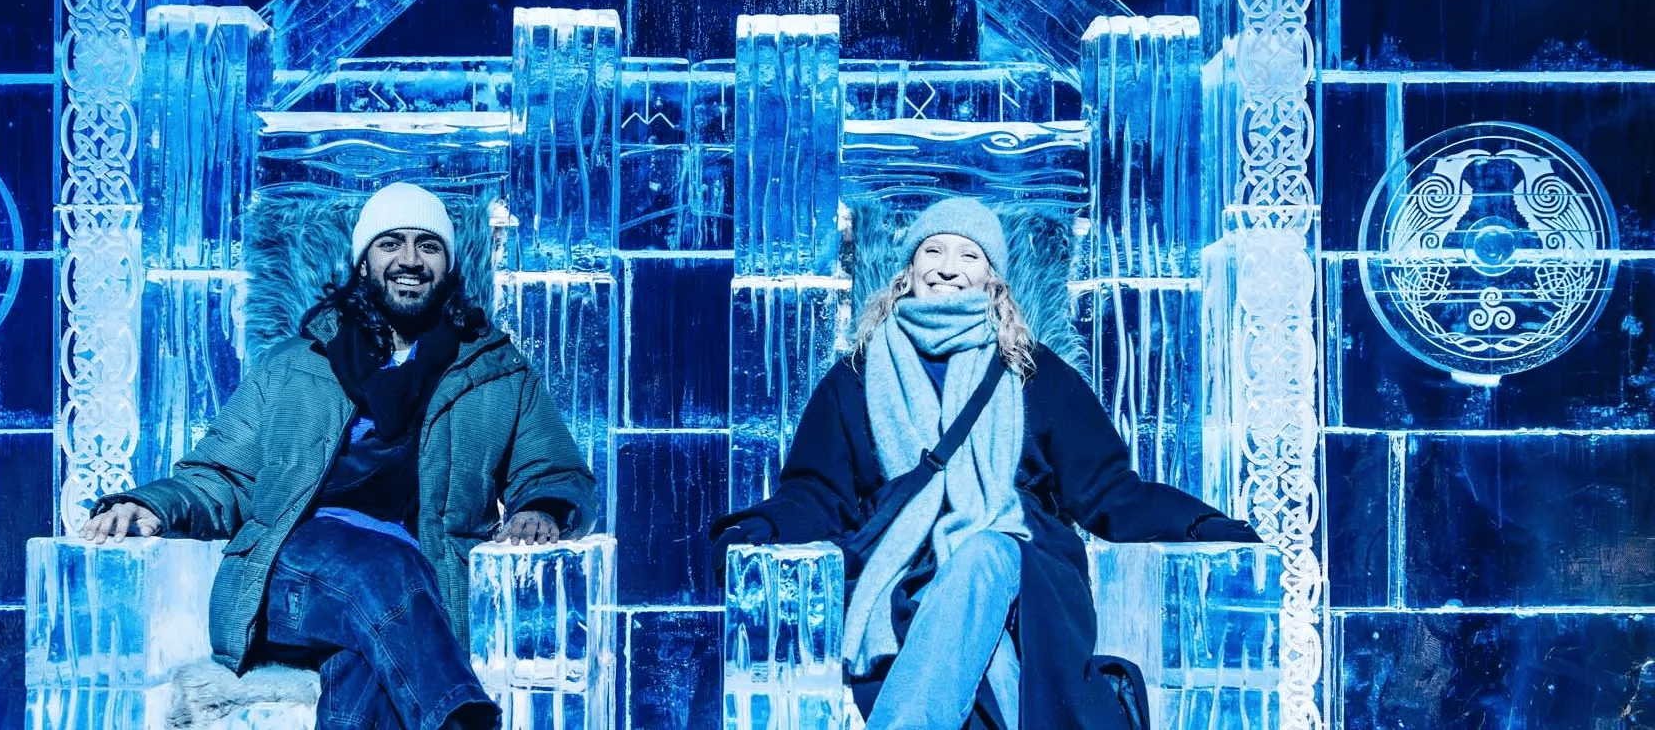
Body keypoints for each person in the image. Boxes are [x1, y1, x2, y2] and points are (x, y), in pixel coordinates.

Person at [709, 197, 1262, 730]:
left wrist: (1200, 523)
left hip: (1028, 575)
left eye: (968, 255)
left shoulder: (1034, 373)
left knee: (982, 553)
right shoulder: (854, 377)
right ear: (909, 270)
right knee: (987, 657)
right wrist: (761, 527)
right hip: (902, 574)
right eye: (933, 251)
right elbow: (816, 491)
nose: (948, 268)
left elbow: (1110, 490)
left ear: (992, 278)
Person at [79, 182, 596, 730]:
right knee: (381, 567)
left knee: (367, 666)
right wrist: (151, 504)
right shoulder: (296, 365)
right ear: (364, 262)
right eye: (390, 243)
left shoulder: (496, 372)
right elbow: (222, 475)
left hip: (418, 589)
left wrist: (541, 507)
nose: (410, 259)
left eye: (428, 245)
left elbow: (552, 467)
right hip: (293, 575)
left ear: (448, 265)